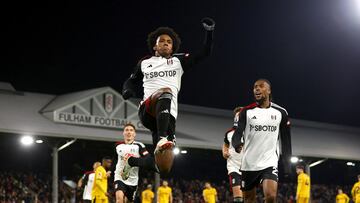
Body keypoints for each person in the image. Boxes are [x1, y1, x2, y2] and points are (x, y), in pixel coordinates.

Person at [121, 17, 215, 173]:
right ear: (155, 46)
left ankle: (132, 161)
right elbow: (130, 81)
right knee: (166, 91)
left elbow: (205, 52)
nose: (165, 43)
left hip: (168, 116)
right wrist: (127, 91)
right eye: (162, 41)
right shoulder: (145, 62)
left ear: (172, 48)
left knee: (164, 167)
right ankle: (161, 138)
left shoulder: (179, 62)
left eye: (169, 42)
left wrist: (209, 32)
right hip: (148, 110)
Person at [231, 79, 292, 203]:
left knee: (270, 196)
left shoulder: (281, 113)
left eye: (261, 86)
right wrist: (237, 144)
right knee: (249, 199)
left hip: (269, 162)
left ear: (269, 90)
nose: (257, 89)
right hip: (249, 163)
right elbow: (237, 133)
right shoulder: (246, 112)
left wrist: (287, 165)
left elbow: (286, 141)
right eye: (255, 87)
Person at [114, 123, 153, 203]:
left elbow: (148, 159)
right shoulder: (118, 145)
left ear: (134, 134)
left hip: (133, 180)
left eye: (131, 130)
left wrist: (136, 160)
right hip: (120, 176)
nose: (129, 132)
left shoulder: (139, 145)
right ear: (123, 133)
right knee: (119, 200)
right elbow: (124, 153)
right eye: (126, 130)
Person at [222, 107, 243, 203]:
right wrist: (224, 151)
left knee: (248, 197)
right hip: (234, 167)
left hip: (248, 169)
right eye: (237, 115)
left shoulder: (251, 133)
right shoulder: (229, 133)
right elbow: (225, 144)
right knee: (238, 198)